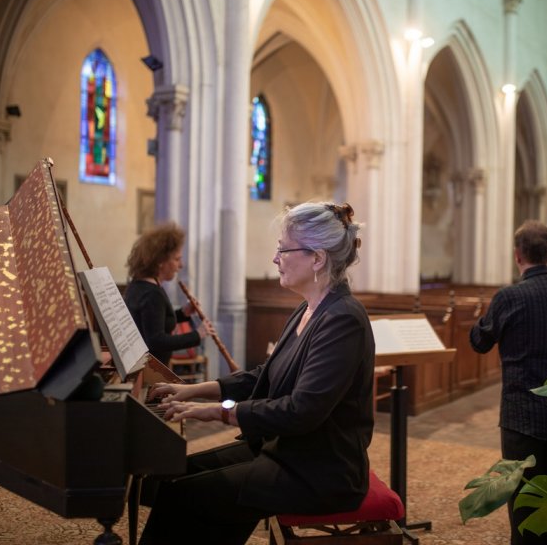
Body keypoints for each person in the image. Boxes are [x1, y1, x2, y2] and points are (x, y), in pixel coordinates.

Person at [138, 202, 375, 545]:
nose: (275, 258)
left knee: (186, 495)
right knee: (169, 478)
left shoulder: (342, 319)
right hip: (285, 449)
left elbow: (301, 411)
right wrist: (193, 390)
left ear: (317, 259)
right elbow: (266, 376)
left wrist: (216, 412)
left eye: (283, 249)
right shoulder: (308, 309)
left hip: (321, 470)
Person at [469, 220, 547, 545]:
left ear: (517, 255)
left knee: (523, 507)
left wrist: (482, 318)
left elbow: (478, 342)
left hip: (520, 417)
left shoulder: (509, 297)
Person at [124, 222, 210, 367]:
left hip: (146, 367)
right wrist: (197, 335)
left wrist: (183, 313)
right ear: (160, 261)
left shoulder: (138, 286)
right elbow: (157, 340)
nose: (180, 266)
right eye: (177, 259)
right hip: (151, 371)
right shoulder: (152, 294)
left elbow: (154, 322)